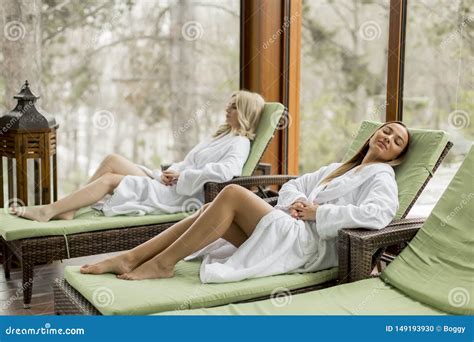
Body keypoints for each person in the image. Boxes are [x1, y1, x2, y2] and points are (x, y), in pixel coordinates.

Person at [80, 121, 410, 281]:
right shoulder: (338, 168)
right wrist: (296, 202)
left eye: (397, 141)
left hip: (310, 244)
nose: (388, 139)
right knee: (211, 208)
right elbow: (295, 184)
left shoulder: (381, 176)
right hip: (290, 227)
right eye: (387, 131)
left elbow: (380, 213)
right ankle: (130, 257)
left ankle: (162, 265)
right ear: (373, 134)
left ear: (396, 155)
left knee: (235, 193)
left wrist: (318, 212)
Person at [10, 90, 265, 222]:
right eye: (229, 104)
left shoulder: (240, 143)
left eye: (233, 106)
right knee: (111, 159)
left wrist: (182, 176)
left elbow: (226, 174)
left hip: (184, 196)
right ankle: (69, 209)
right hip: (171, 183)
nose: (226, 109)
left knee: (110, 180)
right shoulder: (220, 136)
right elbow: (187, 162)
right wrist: (170, 172)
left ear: (244, 112)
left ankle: (49, 211)